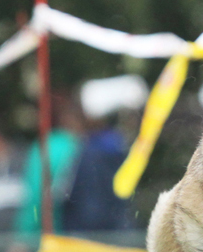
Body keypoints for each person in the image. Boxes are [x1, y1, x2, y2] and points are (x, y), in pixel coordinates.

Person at [61, 75, 147, 231]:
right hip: (116, 235)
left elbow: (91, 211)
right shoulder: (117, 149)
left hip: (93, 241)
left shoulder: (92, 152)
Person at [14, 92, 82, 241]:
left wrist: (24, 237)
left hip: (49, 239)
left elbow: (35, 196)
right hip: (84, 238)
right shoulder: (83, 144)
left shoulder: (47, 146)